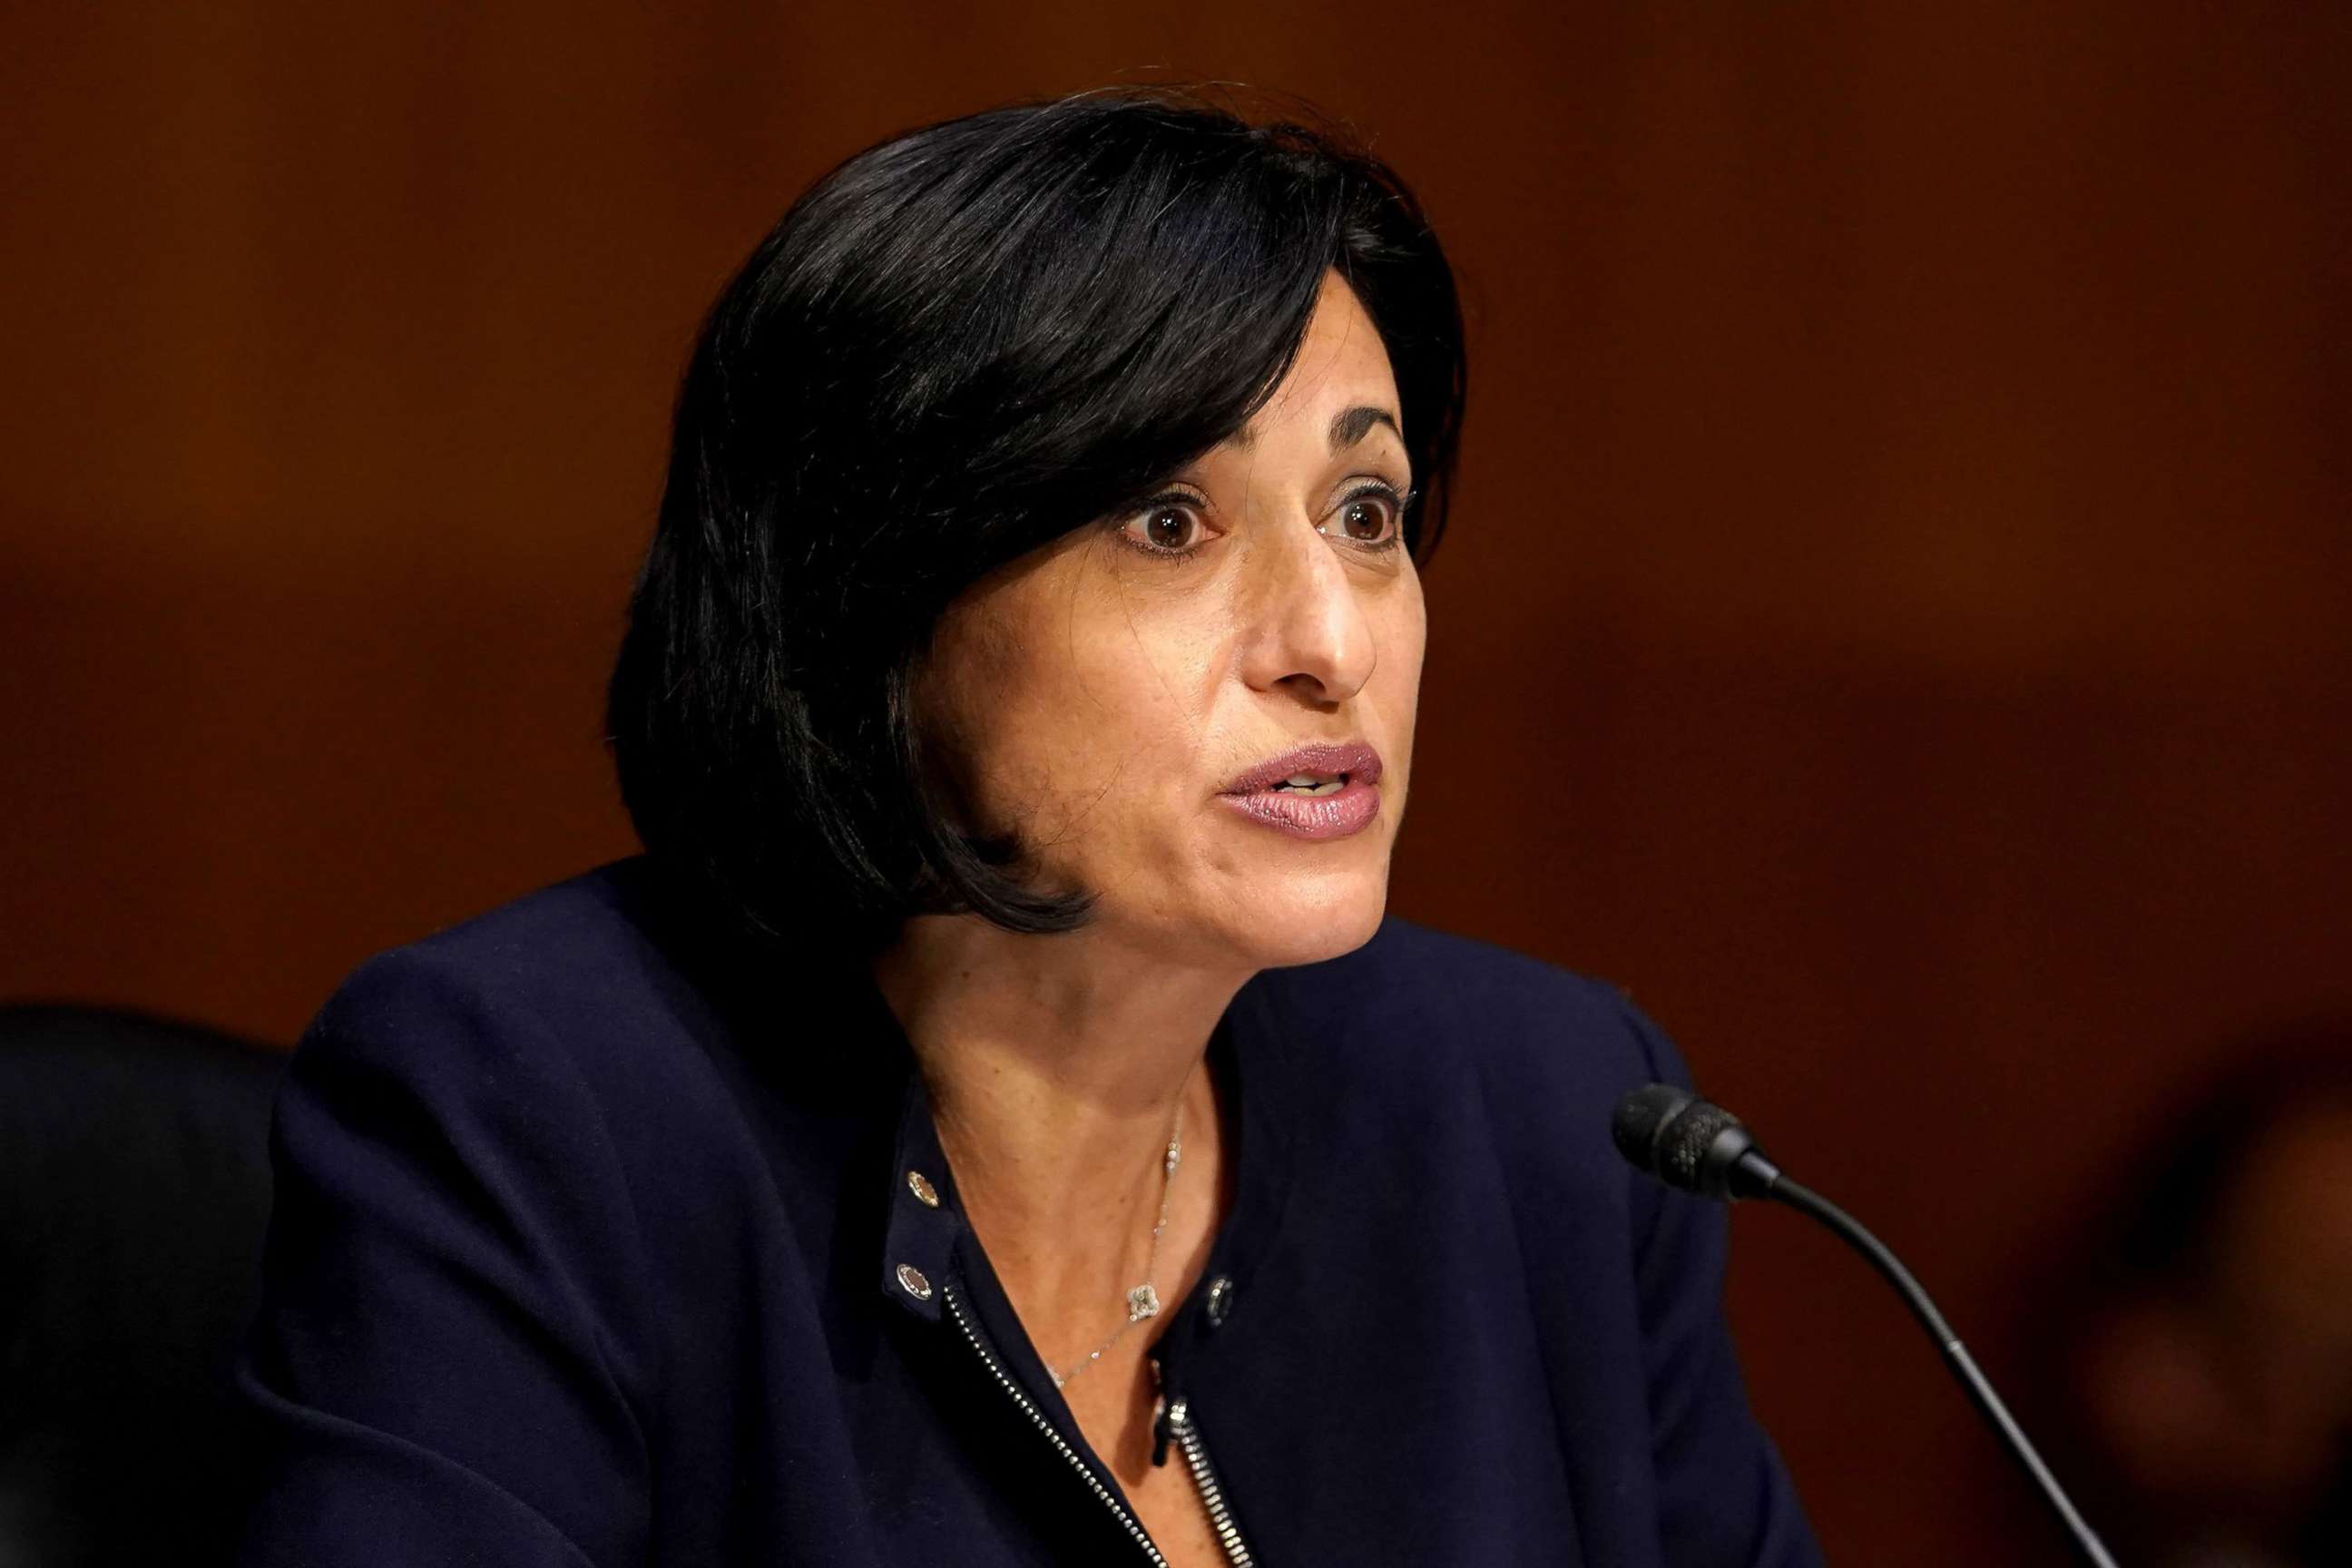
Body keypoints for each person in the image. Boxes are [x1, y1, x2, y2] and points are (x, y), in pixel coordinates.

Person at [234, 88, 1821, 1566]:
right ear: (877, 612)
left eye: (1368, 514)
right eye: (1167, 523)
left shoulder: (1553, 1124)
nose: (1330, 642)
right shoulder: (536, 1116)